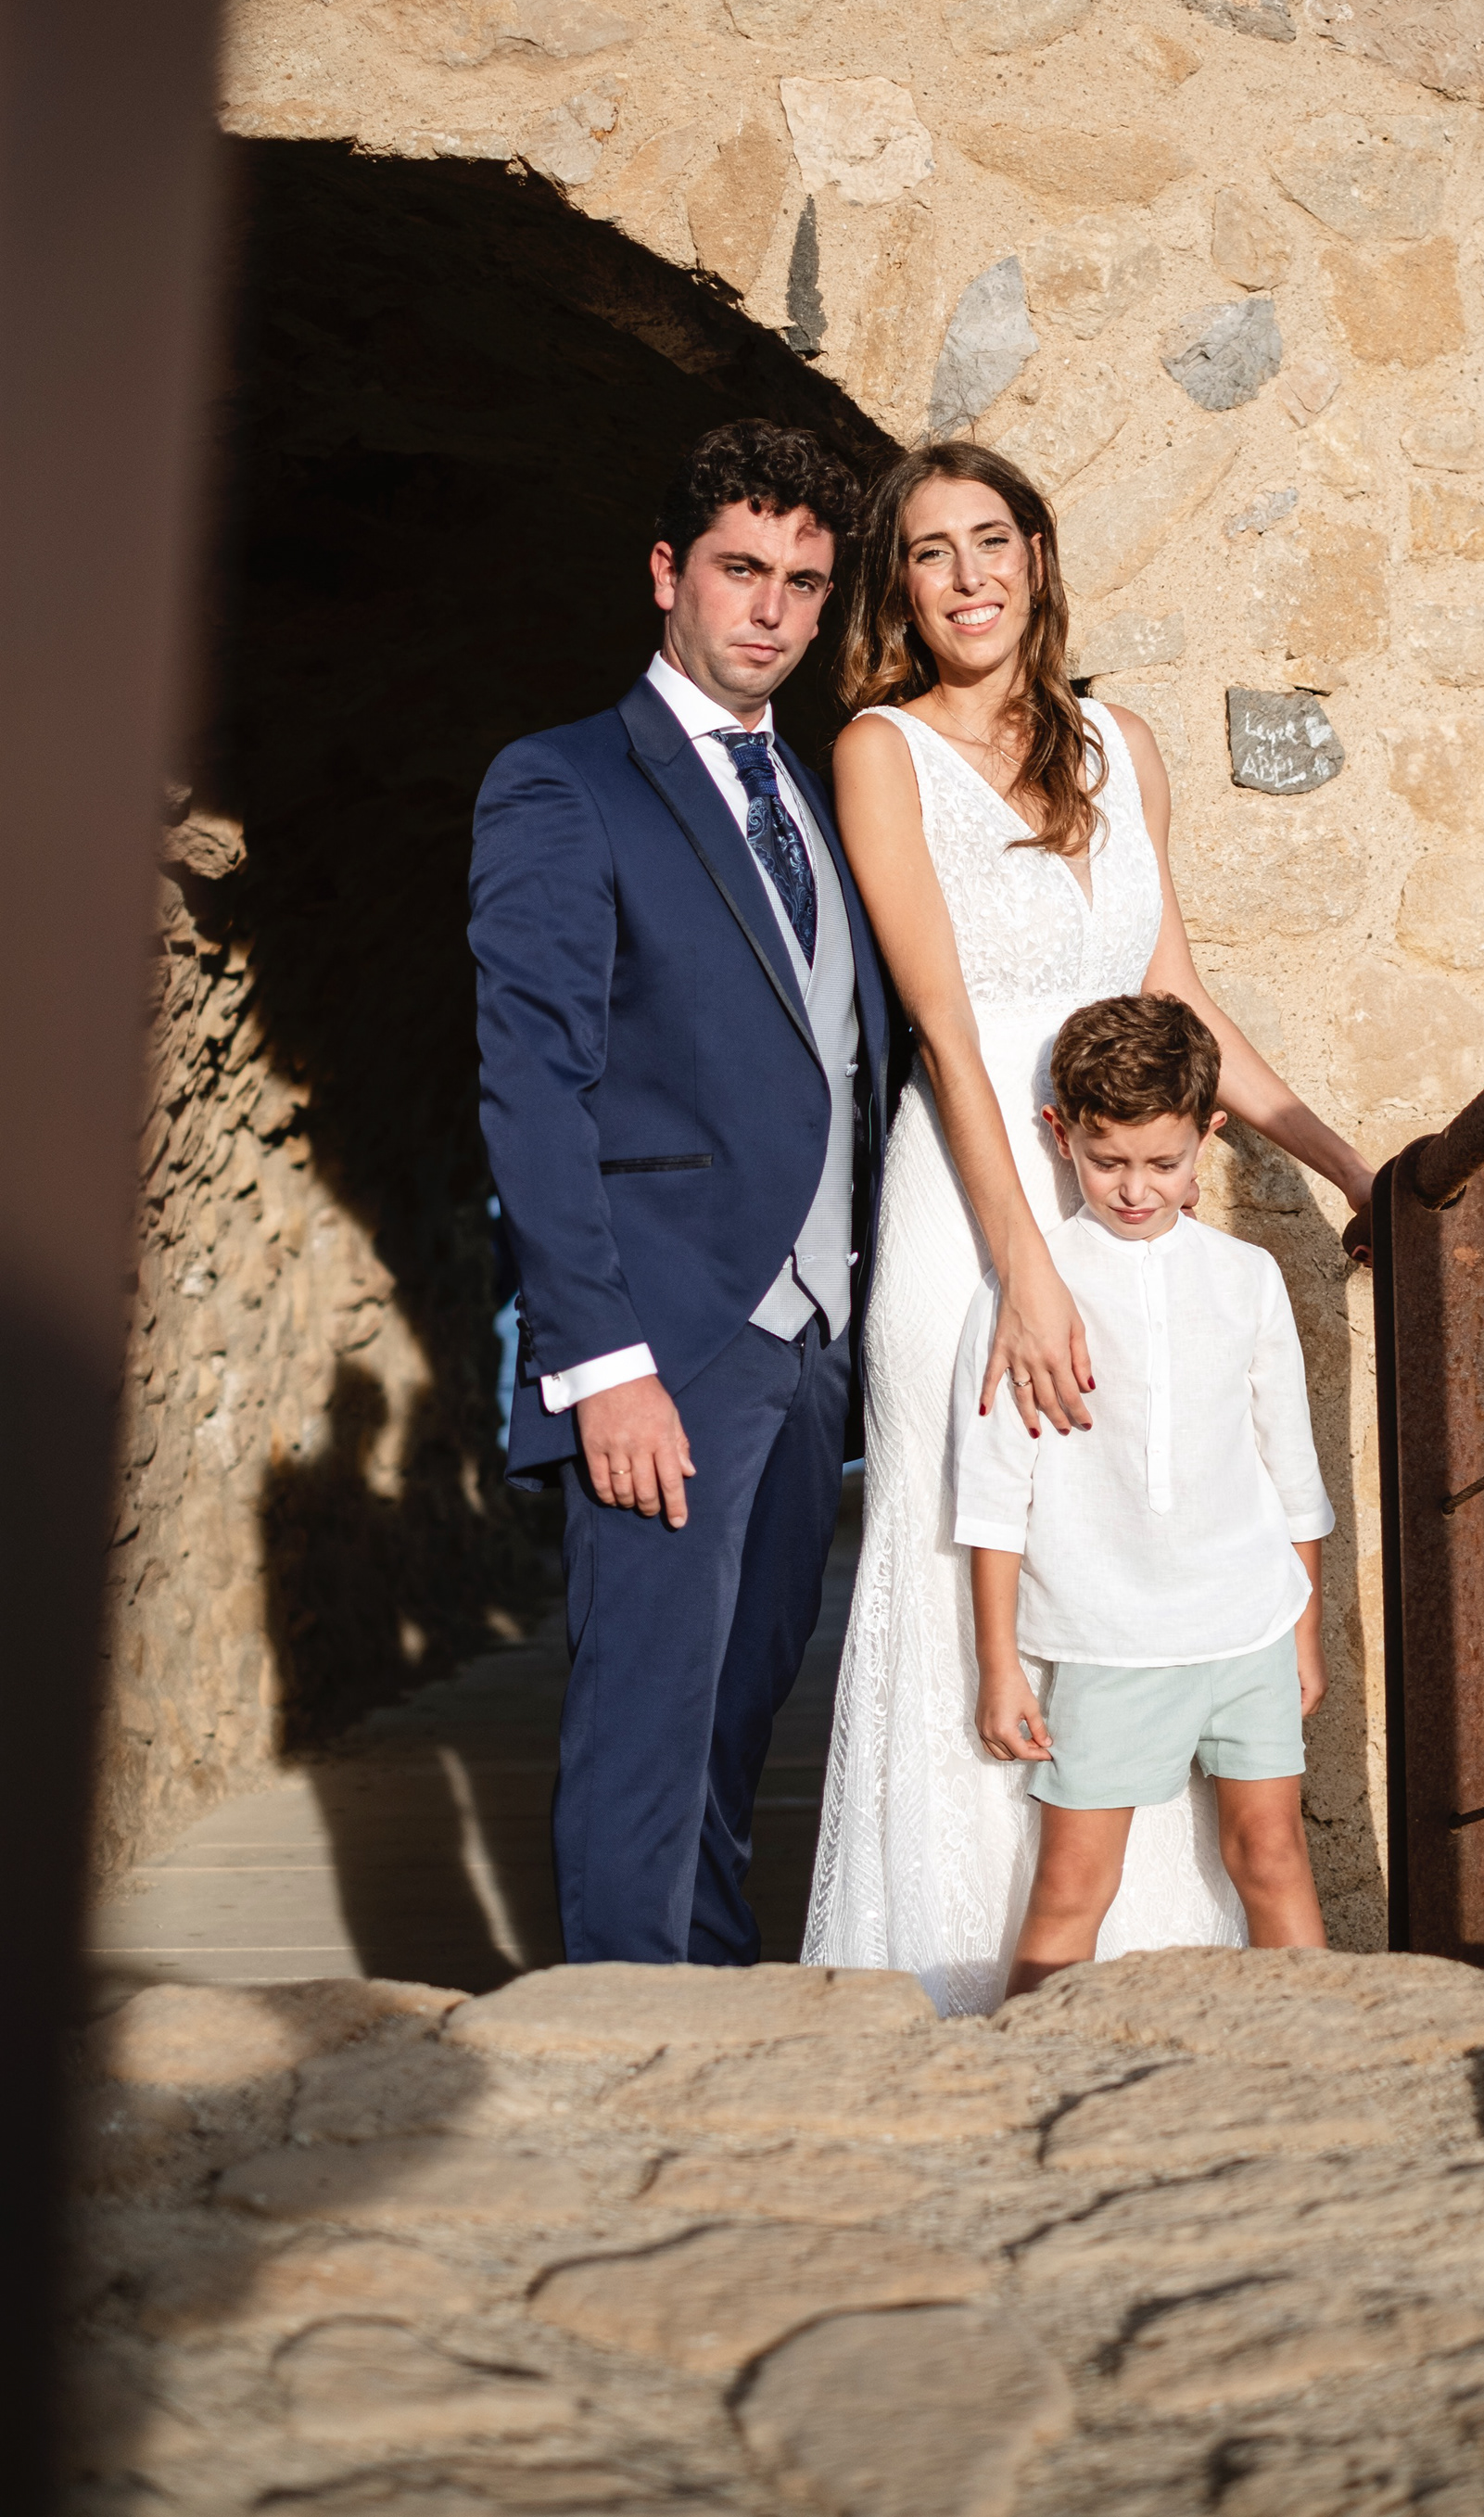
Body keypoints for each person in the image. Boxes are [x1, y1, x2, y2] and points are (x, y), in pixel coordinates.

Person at [800, 439, 1369, 2014]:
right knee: (966, 1545)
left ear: (1038, 558)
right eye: (931, 551)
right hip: (974, 1210)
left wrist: (1341, 1157)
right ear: (901, 585)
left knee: (1134, 1549)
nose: (968, 575)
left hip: (1120, 1213)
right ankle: (957, 1979)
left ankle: (1153, 1974)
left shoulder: (1126, 748)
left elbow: (1175, 994)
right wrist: (1027, 1269)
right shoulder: (879, 751)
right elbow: (942, 1030)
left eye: (992, 539)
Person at [468, 422, 889, 1967]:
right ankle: (619, 2046)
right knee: (645, 1734)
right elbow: (534, 1090)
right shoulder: (564, 783)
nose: (770, 610)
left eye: (803, 582)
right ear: (667, 572)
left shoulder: (827, 799)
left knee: (734, 1728)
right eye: (738, 569)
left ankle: (710, 2033)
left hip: (812, 1343)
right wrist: (603, 1362)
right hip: (665, 1342)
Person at [957, 994, 1333, 1993]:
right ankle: (1024, 2068)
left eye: (1163, 1162)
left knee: (1274, 1857)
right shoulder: (1028, 1289)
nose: (1134, 1188)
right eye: (1107, 1160)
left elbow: (1291, 1470)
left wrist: (1303, 1629)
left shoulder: (1248, 1278)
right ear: (1062, 1134)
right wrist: (1000, 1666)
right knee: (1072, 1887)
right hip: (1108, 1640)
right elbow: (994, 1491)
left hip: (1249, 1627)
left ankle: (1328, 2055)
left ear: (1208, 1134)